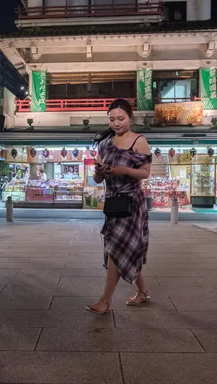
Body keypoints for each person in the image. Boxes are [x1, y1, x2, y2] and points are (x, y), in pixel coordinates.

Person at [86, 98, 153, 315]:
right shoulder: (104, 145)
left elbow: (145, 172)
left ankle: (105, 300)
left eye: (121, 119)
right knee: (125, 247)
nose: (116, 123)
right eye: (112, 119)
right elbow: (96, 178)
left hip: (132, 202)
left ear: (130, 118)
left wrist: (123, 171)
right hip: (114, 202)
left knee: (116, 249)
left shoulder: (139, 141)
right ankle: (143, 291)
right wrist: (100, 171)